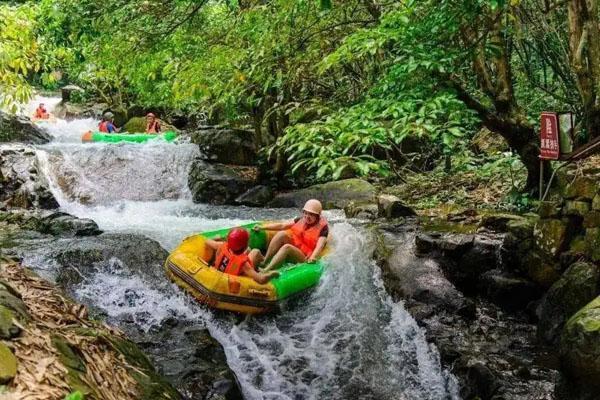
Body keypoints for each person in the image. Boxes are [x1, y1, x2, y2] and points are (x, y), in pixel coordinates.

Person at [254, 199, 328, 271]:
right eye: (306, 213)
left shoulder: (323, 228)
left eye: (311, 214)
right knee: (282, 234)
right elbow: (282, 226)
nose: (307, 216)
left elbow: (320, 246)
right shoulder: (301, 219)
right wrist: (262, 227)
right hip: (298, 246)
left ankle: (267, 270)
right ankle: (265, 261)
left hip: (306, 256)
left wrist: (313, 258)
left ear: (317, 216)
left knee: (287, 247)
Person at [205, 227, 279, 284]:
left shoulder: (221, 245)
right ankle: (265, 264)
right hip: (237, 279)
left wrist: (217, 237)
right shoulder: (244, 264)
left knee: (249, 250)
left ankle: (263, 263)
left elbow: (207, 240)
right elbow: (261, 279)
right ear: (245, 245)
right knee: (255, 252)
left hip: (220, 273)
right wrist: (272, 275)